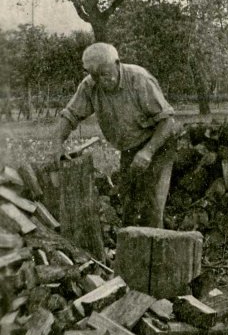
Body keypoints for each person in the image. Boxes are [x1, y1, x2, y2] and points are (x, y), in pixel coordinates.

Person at [53, 42, 177, 228]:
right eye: (94, 75)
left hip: (159, 143)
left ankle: (159, 249)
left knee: (152, 204)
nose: (101, 80)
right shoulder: (89, 86)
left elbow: (167, 121)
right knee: (129, 205)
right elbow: (70, 116)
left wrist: (148, 152)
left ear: (117, 63)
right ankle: (133, 251)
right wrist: (56, 144)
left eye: (105, 73)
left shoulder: (139, 79)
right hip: (129, 147)